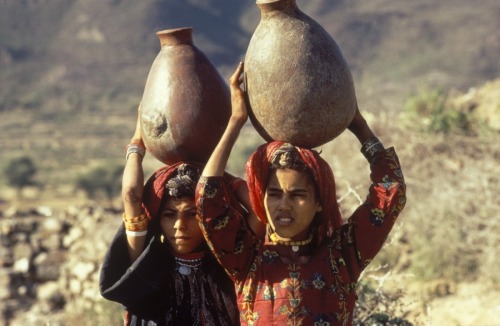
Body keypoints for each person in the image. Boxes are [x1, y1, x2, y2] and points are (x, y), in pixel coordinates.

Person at [195, 62, 407, 325]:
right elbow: (208, 202)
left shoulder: (342, 257)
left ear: (320, 203)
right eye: (274, 194)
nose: (283, 205)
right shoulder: (247, 260)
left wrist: (359, 125)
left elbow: (390, 192)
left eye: (297, 196)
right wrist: (236, 122)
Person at [99, 106, 240, 326]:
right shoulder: (149, 267)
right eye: (169, 214)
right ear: (158, 219)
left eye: (192, 214)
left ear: (207, 216)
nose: (179, 226)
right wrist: (138, 140)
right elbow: (131, 195)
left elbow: (258, 212)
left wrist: (215, 176)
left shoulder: (229, 263)